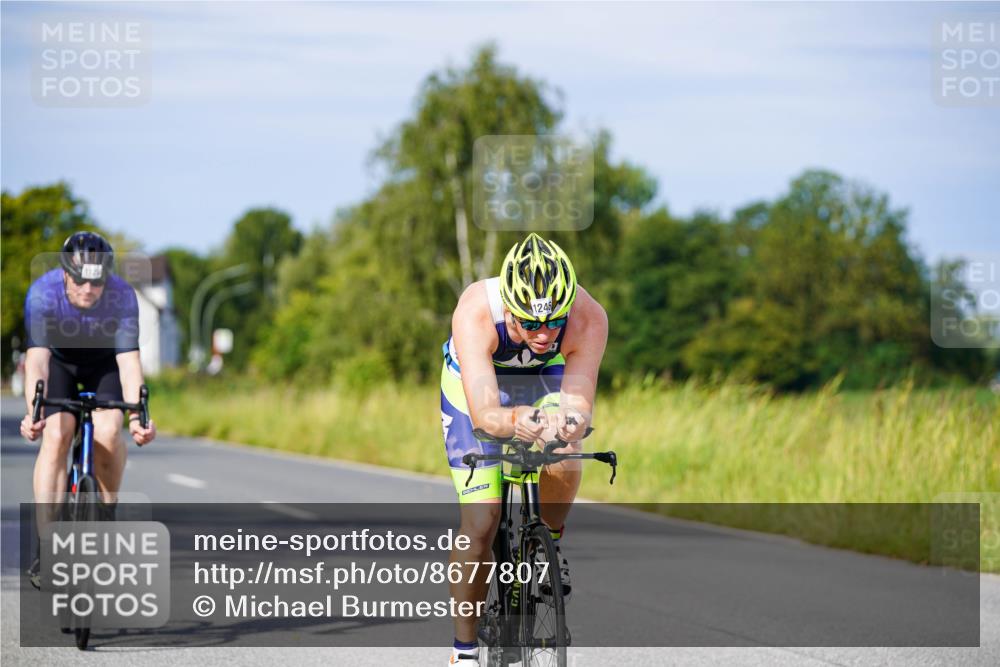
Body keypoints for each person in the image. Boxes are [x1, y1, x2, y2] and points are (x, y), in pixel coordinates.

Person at [440, 232, 608, 665]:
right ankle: (464, 652)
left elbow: (578, 404)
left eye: (554, 321)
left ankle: (546, 542)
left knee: (567, 444)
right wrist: (516, 421)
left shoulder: (588, 318)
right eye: (529, 323)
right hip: (476, 386)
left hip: (544, 378)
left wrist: (564, 423)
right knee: (481, 521)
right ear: (508, 308)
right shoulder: (476, 310)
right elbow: (485, 415)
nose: (543, 332)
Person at [19, 231, 157, 588]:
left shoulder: (122, 296)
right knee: (57, 435)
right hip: (60, 366)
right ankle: (48, 545)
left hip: (105, 365)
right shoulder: (42, 294)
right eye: (79, 279)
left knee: (110, 431)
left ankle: (105, 512)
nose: (87, 289)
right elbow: (36, 361)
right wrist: (33, 411)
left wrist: (138, 416)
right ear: (65, 273)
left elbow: (129, 365)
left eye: (96, 282)